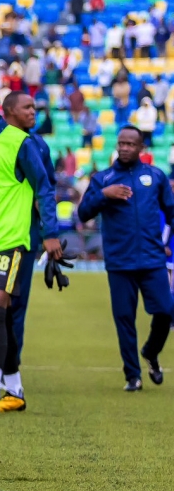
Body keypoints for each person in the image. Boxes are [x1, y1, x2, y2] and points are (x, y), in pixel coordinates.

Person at [0, 92, 61, 415]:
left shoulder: (20, 142)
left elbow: (45, 187)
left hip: (10, 241)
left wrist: (50, 234)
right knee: (0, 315)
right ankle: (16, 388)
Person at [78, 126, 172, 391]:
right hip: (120, 262)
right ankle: (133, 375)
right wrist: (103, 196)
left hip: (153, 260)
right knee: (124, 318)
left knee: (166, 311)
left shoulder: (155, 177)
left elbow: (171, 211)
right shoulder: (103, 178)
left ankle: (151, 352)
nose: (125, 148)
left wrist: (165, 243)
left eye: (131, 144)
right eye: (121, 143)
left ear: (141, 147)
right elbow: (83, 213)